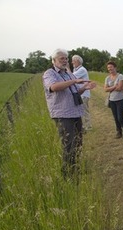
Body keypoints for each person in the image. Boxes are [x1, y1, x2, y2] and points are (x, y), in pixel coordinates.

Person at [42, 48, 96, 179]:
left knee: (78, 143)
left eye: (66, 58)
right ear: (54, 60)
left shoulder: (68, 74)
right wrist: (74, 81)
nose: (65, 61)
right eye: (62, 58)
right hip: (63, 114)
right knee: (69, 145)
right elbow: (54, 87)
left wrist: (84, 88)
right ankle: (67, 176)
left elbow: (76, 92)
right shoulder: (50, 73)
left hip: (75, 112)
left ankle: (75, 169)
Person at [104, 61, 123, 139]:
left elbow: (120, 88)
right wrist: (114, 86)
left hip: (119, 100)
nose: (109, 69)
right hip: (111, 100)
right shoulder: (107, 78)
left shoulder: (120, 76)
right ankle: (119, 132)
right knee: (115, 118)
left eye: (111, 67)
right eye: (108, 68)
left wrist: (110, 88)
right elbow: (105, 89)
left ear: (115, 67)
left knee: (120, 117)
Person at [71, 55, 92, 131]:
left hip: (84, 94)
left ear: (77, 61)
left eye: (73, 61)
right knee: (80, 110)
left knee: (84, 110)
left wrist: (67, 68)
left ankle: (88, 126)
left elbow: (71, 77)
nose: (72, 62)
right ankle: (83, 126)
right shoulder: (75, 69)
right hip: (80, 93)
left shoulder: (82, 69)